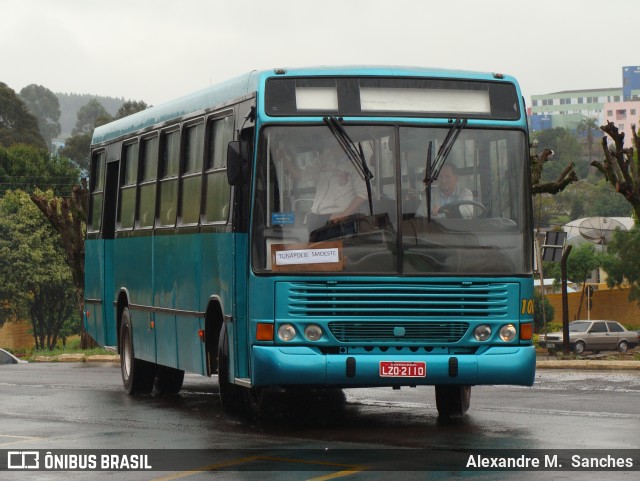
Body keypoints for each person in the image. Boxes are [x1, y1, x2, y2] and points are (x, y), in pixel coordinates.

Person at [285, 144, 368, 233]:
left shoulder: (356, 163)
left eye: (334, 142)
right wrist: (284, 159)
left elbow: (363, 193)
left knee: (335, 246)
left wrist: (344, 215)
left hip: (337, 218)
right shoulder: (324, 159)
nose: (331, 145)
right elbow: (301, 175)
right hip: (315, 217)